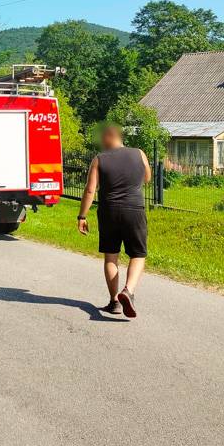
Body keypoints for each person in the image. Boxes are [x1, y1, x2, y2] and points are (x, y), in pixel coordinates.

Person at [77, 124, 151, 318]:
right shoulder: (139, 154)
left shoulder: (99, 159)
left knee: (111, 257)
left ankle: (114, 302)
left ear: (109, 137)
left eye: (103, 138)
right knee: (138, 254)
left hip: (108, 212)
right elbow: (147, 178)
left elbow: (90, 190)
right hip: (134, 211)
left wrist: (82, 216)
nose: (101, 142)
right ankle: (128, 291)